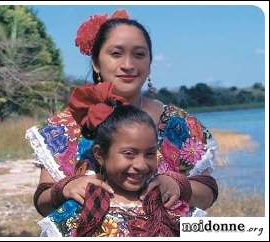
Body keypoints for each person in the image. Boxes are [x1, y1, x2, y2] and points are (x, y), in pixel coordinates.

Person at [25, 9, 218, 226]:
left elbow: (207, 193)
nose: (128, 64)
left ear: (150, 62)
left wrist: (179, 186)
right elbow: (43, 202)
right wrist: (65, 189)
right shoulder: (62, 129)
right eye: (116, 54)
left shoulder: (179, 125)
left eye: (139, 54)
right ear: (96, 63)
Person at [38, 82, 187, 237]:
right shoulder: (78, 210)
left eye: (150, 154)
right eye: (129, 153)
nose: (141, 165)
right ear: (100, 155)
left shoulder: (170, 204)